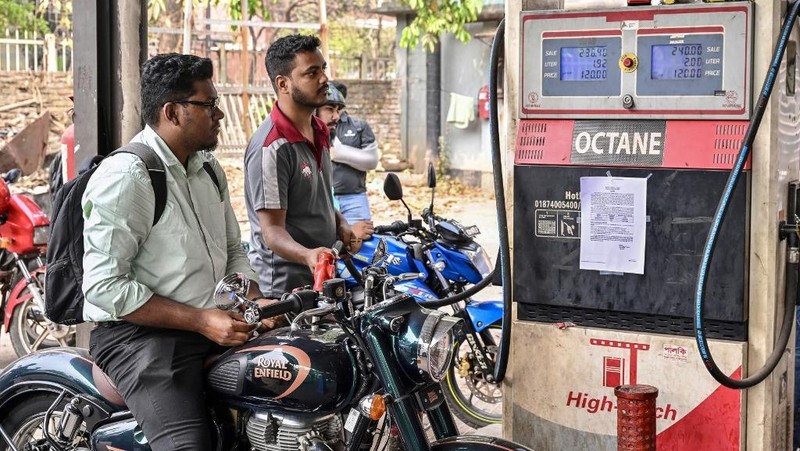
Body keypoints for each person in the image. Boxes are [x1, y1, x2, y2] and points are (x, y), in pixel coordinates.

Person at [82, 53, 274, 451]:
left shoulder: (207, 169)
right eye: (208, 105)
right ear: (172, 112)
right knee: (190, 445)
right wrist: (201, 320)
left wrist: (254, 301)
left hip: (211, 321)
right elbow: (104, 287)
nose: (219, 114)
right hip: (141, 337)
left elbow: (233, 250)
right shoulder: (127, 177)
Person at [243, 34, 371, 298]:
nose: (324, 79)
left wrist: (341, 222)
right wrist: (308, 255)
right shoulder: (272, 147)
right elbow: (272, 232)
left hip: (321, 275)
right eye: (312, 72)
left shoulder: (320, 129)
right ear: (283, 84)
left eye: (323, 69)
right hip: (284, 289)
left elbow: (320, 198)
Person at [328, 80, 379, 223]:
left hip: (354, 198)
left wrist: (339, 153)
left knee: (359, 242)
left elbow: (372, 161)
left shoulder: (358, 126)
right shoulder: (312, 126)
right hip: (324, 198)